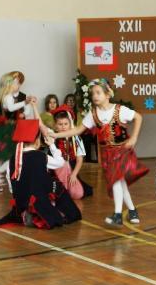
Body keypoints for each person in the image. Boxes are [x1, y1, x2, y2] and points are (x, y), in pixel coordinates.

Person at [51, 79, 148, 225]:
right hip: (107, 155)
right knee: (120, 183)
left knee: (116, 180)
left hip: (122, 151)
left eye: (98, 93)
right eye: (93, 93)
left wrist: (134, 137)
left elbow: (138, 117)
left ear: (108, 94)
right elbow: (77, 130)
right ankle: (132, 210)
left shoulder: (119, 110)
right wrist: (55, 135)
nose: (95, 96)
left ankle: (117, 215)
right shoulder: (93, 114)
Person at [0, 115, 81, 229]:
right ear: (37, 141)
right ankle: (65, 213)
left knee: (37, 184)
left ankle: (27, 212)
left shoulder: (13, 159)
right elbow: (60, 163)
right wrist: (52, 145)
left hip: (20, 201)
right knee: (57, 185)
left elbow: (11, 183)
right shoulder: (41, 156)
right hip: (37, 199)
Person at [0, 71, 35, 192]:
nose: (17, 85)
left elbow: (27, 111)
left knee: (11, 155)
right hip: (6, 129)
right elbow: (11, 108)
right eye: (14, 82)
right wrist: (25, 103)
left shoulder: (22, 96)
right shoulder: (6, 97)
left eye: (18, 82)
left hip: (16, 128)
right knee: (6, 155)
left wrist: (25, 110)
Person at [52, 105, 93, 199]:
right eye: (60, 124)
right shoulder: (54, 139)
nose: (63, 127)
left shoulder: (76, 139)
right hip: (57, 172)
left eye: (66, 124)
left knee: (79, 193)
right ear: (56, 126)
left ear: (70, 124)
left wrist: (74, 174)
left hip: (72, 171)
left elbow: (79, 160)